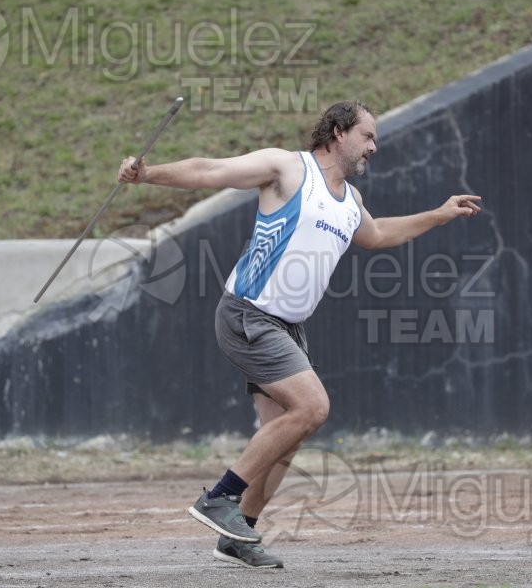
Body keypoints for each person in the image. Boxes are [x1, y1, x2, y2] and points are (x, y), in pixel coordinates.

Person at [118, 100, 482, 569]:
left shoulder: (352, 202)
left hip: (287, 327)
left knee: (285, 438)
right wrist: (148, 174)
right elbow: (213, 170)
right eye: (368, 136)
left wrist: (439, 213)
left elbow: (379, 235)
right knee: (313, 407)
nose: (374, 146)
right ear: (337, 132)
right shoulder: (288, 168)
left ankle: (237, 534)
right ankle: (220, 498)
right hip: (248, 314)